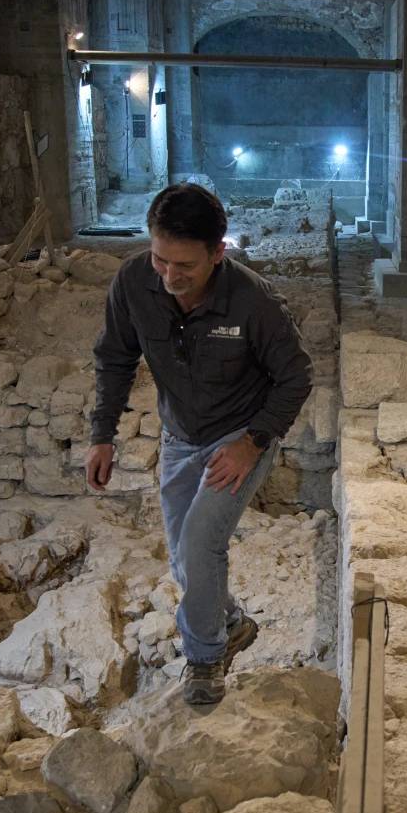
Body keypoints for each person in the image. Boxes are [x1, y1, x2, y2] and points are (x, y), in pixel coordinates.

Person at [86, 183, 312, 705]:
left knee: (200, 543)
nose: (169, 276)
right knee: (184, 563)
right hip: (180, 434)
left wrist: (254, 443)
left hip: (238, 435)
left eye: (184, 265)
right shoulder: (133, 283)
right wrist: (102, 436)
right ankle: (229, 621)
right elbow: (116, 358)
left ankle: (206, 661)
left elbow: (295, 377)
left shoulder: (253, 301)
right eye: (160, 259)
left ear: (218, 251)